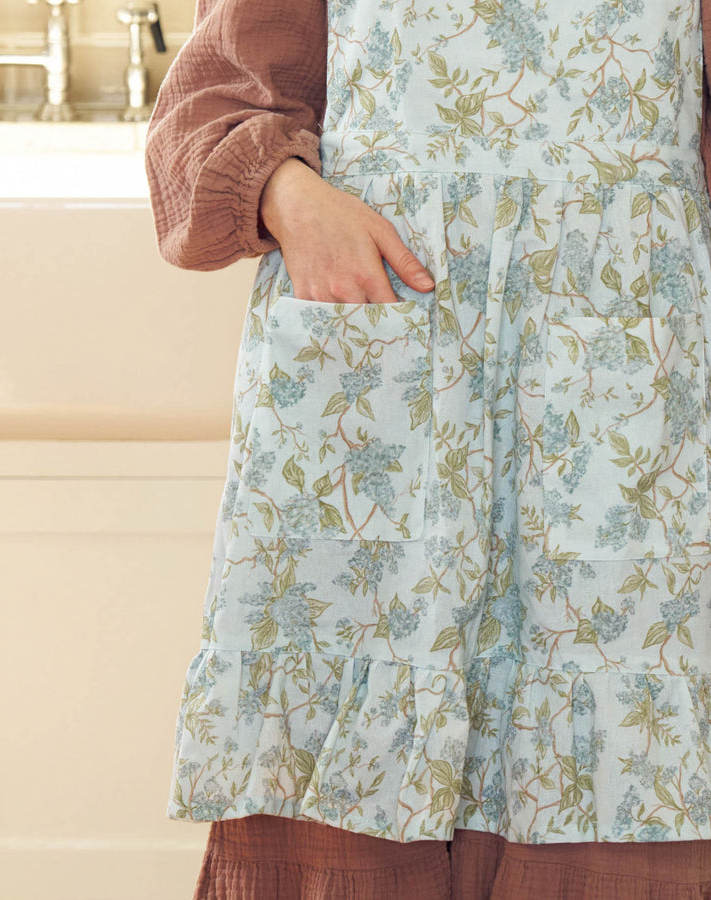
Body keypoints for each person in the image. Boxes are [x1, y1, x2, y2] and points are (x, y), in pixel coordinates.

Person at [145, 0, 711, 895]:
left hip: (633, 393)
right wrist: (293, 199)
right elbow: (207, 105)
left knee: (623, 758)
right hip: (381, 357)